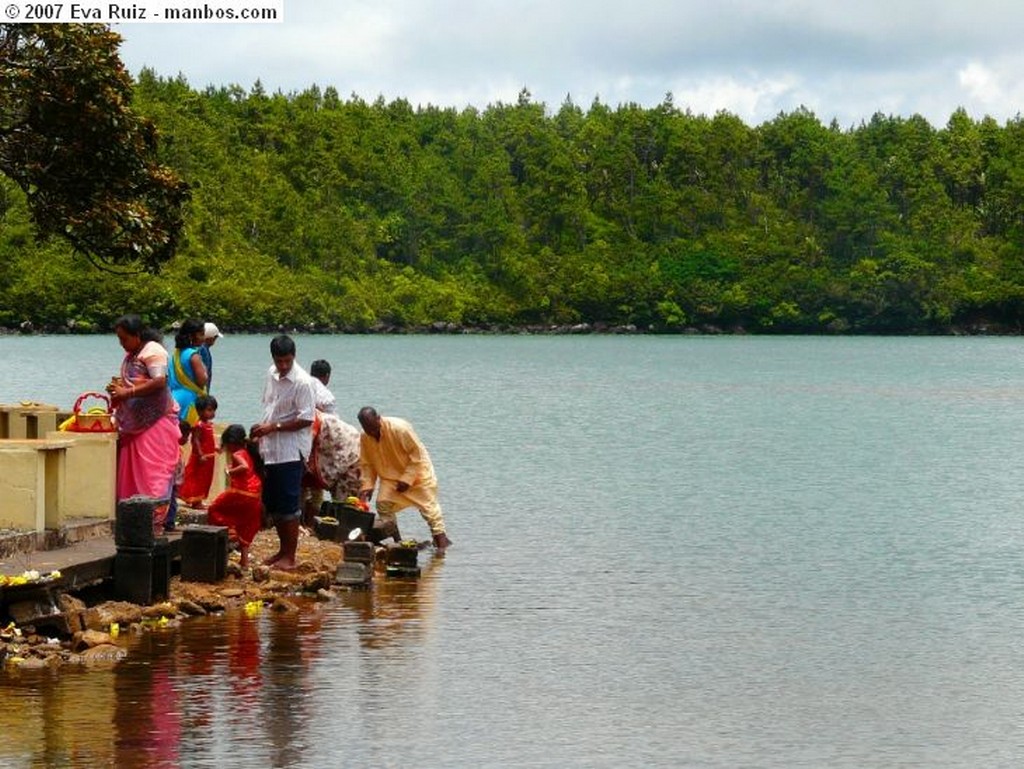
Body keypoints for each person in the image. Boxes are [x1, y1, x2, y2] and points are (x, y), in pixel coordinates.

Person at [107, 314, 181, 532]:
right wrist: (120, 392)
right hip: (134, 426)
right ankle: (134, 521)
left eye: (124, 339)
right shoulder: (133, 354)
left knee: (153, 474)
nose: (121, 344)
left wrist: (127, 391)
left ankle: (154, 523)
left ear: (137, 335)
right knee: (133, 474)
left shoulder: (153, 351)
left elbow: (159, 381)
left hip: (155, 423)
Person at [250, 335, 316, 571]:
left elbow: (307, 419)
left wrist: (274, 427)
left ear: (294, 357)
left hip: (290, 450)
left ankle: (291, 555)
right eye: (280, 361)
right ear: (274, 359)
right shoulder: (271, 374)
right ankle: (282, 550)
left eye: (287, 361)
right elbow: (269, 406)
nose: (284, 366)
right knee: (274, 502)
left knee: (289, 504)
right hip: (271, 448)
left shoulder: (303, 382)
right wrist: (262, 429)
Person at [357, 406, 451, 550]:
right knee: (383, 504)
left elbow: (417, 455)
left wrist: (407, 479)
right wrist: (368, 486)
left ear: (379, 418)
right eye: (367, 429)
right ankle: (398, 543)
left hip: (417, 472)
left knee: (430, 510)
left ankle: (441, 546)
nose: (372, 432)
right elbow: (367, 464)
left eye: (373, 428)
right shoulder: (365, 437)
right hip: (390, 477)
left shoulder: (400, 429)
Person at [207, 424, 263, 569]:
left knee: (214, 509)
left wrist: (229, 472)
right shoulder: (247, 451)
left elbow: (243, 467)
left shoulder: (237, 454)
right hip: (255, 494)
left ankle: (230, 534)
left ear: (231, 443)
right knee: (245, 524)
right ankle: (244, 561)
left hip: (241, 492)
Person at [302, 411, 362, 526]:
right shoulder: (308, 416)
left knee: (346, 500)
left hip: (349, 452)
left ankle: (347, 528)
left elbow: (307, 446)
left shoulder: (311, 420)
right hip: (335, 452)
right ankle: (315, 525)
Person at [179, 394, 218, 509]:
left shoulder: (208, 425)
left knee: (206, 479)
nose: (212, 413)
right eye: (209, 410)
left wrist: (215, 448)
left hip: (209, 456)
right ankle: (196, 501)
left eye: (213, 410)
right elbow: (195, 440)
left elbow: (208, 440)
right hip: (202, 457)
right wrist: (200, 454)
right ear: (200, 411)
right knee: (198, 479)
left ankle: (199, 499)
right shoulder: (199, 425)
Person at [167, 318, 208, 425]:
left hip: (173, 397)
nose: (204, 338)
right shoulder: (193, 355)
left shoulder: (175, 354)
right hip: (189, 400)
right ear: (191, 336)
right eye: (201, 334)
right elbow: (202, 381)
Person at [165, 419, 192, 532]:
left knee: (171, 501)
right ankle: (169, 523)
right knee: (171, 502)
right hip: (172, 480)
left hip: (174, 480)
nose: (186, 440)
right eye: (186, 436)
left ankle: (168, 522)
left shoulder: (174, 447)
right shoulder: (174, 448)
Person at [201, 322, 223, 391]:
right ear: (211, 338)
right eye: (215, 337)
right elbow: (205, 372)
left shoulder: (199, 348)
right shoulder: (203, 350)